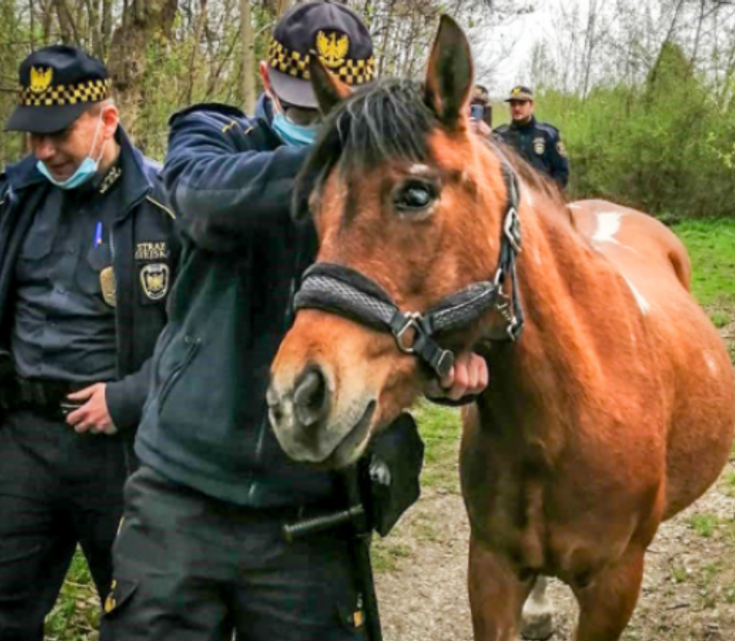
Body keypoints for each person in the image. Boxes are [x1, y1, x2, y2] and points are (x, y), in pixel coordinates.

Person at [99, 3, 488, 639]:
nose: (311, 120)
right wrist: (353, 154)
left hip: (309, 505)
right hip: (179, 491)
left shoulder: (380, 183)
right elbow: (198, 198)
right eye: (298, 103)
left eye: (329, 111)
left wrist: (443, 363)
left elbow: (415, 290)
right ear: (265, 78)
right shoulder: (212, 137)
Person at [0, 45, 177, 640]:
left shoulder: (166, 205)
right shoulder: (12, 198)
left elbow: (196, 335)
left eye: (58, 133)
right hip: (24, 442)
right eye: (32, 134)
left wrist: (130, 398)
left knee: (146, 618)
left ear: (107, 120)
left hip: (125, 453)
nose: (43, 150)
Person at [493, 85, 569, 189]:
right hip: (512, 198)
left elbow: (562, 172)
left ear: (532, 105)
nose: (517, 108)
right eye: (513, 104)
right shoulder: (500, 136)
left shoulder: (547, 133)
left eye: (521, 103)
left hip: (543, 196)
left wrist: (549, 193)